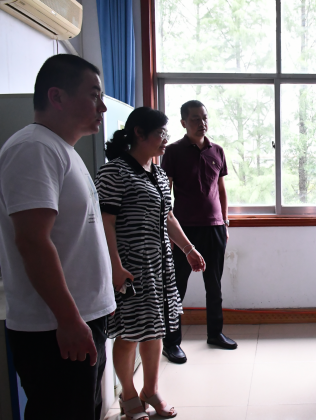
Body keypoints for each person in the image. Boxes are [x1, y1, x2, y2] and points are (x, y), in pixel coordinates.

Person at [0, 54, 115, 419]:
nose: (102, 107)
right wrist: (68, 319)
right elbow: (32, 241)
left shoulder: (62, 149)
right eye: (94, 95)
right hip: (54, 327)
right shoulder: (33, 148)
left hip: (78, 319)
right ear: (57, 96)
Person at [95, 107, 206, 419]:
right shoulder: (114, 172)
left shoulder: (157, 172)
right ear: (139, 133)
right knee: (129, 332)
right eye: (160, 133)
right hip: (130, 267)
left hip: (160, 266)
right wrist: (115, 266)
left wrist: (188, 249)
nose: (165, 139)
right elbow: (105, 223)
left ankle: (151, 390)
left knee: (156, 329)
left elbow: (167, 216)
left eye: (166, 134)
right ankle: (129, 396)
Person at [161, 100, 235, 364]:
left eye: (204, 117)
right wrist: (168, 231)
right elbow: (165, 193)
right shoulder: (172, 152)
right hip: (184, 230)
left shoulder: (217, 150)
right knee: (177, 286)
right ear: (183, 122)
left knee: (214, 285)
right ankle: (171, 343)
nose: (201, 123)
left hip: (215, 228)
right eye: (195, 118)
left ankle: (215, 334)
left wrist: (225, 222)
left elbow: (221, 190)